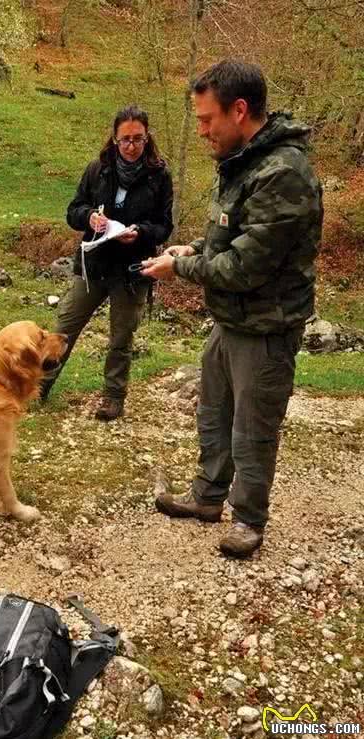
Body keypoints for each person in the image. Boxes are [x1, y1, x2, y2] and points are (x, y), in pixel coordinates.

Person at [141, 60, 322, 557]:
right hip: (230, 319)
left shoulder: (284, 172)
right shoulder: (245, 162)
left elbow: (246, 266)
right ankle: (206, 496)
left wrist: (182, 269)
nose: (201, 131)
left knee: (253, 428)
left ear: (239, 111)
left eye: (206, 119)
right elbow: (234, 232)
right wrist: (193, 248)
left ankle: (248, 520)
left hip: (266, 324)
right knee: (215, 413)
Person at [40, 104, 174, 421]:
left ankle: (113, 397)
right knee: (65, 327)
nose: (131, 146)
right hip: (94, 265)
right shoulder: (97, 169)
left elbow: (164, 226)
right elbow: (73, 211)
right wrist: (90, 217)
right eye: (125, 139)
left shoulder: (160, 176)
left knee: (121, 338)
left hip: (132, 270)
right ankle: (39, 387)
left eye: (138, 139)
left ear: (147, 138)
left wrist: (140, 232)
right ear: (114, 139)